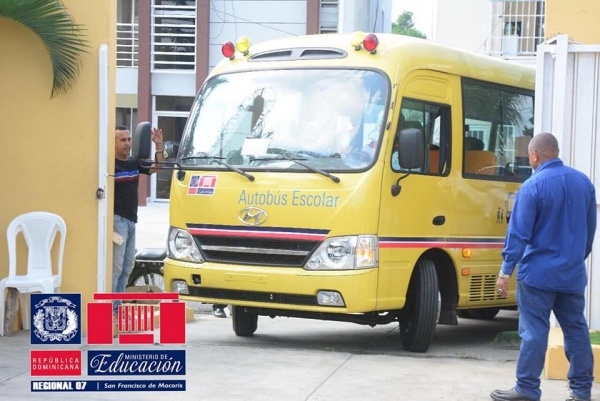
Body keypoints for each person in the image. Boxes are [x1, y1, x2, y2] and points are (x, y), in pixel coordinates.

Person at [490, 133, 596, 401]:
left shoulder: (532, 186)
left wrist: (505, 272)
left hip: (537, 276)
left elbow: (518, 234)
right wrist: (574, 259)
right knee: (576, 329)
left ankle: (527, 388)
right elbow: (589, 231)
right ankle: (581, 391)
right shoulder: (584, 183)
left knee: (534, 331)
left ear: (534, 155)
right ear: (556, 152)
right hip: (571, 276)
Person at [113, 125, 163, 315]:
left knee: (127, 267)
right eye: (122, 140)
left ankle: (117, 306)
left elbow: (157, 168)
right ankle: (111, 308)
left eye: (128, 139)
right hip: (117, 221)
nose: (127, 143)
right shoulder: (109, 165)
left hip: (131, 221)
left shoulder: (133, 162)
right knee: (116, 268)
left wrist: (158, 145)